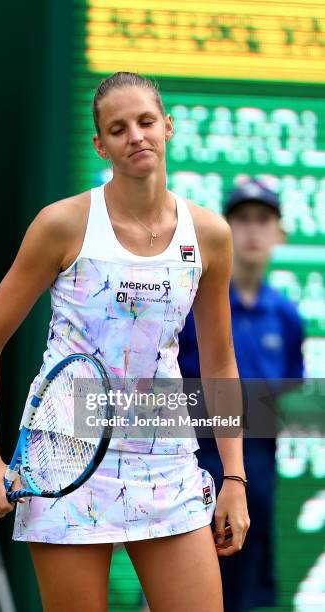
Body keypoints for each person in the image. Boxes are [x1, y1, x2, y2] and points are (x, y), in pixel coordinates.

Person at [0, 71, 250, 612]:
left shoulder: (210, 233)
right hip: (63, 458)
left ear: (167, 126)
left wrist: (233, 477)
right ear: (100, 144)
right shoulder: (61, 224)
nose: (135, 136)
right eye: (117, 129)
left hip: (165, 460)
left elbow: (219, 361)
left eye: (146, 121)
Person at [178, 178, 304, 611]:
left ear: (279, 231)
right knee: (177, 592)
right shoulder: (194, 302)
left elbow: (288, 401)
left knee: (247, 597)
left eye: (263, 220)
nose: (253, 231)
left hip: (258, 479)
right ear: (225, 228)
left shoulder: (287, 317)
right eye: (242, 219)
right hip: (192, 474)